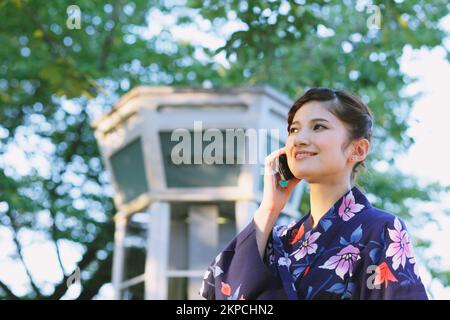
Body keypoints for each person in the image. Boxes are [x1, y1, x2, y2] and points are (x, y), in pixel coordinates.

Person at [199, 87, 428, 300]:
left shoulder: (381, 229)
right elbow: (219, 294)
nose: (299, 139)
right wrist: (269, 208)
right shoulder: (280, 238)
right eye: (294, 129)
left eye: (319, 127)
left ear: (358, 149)